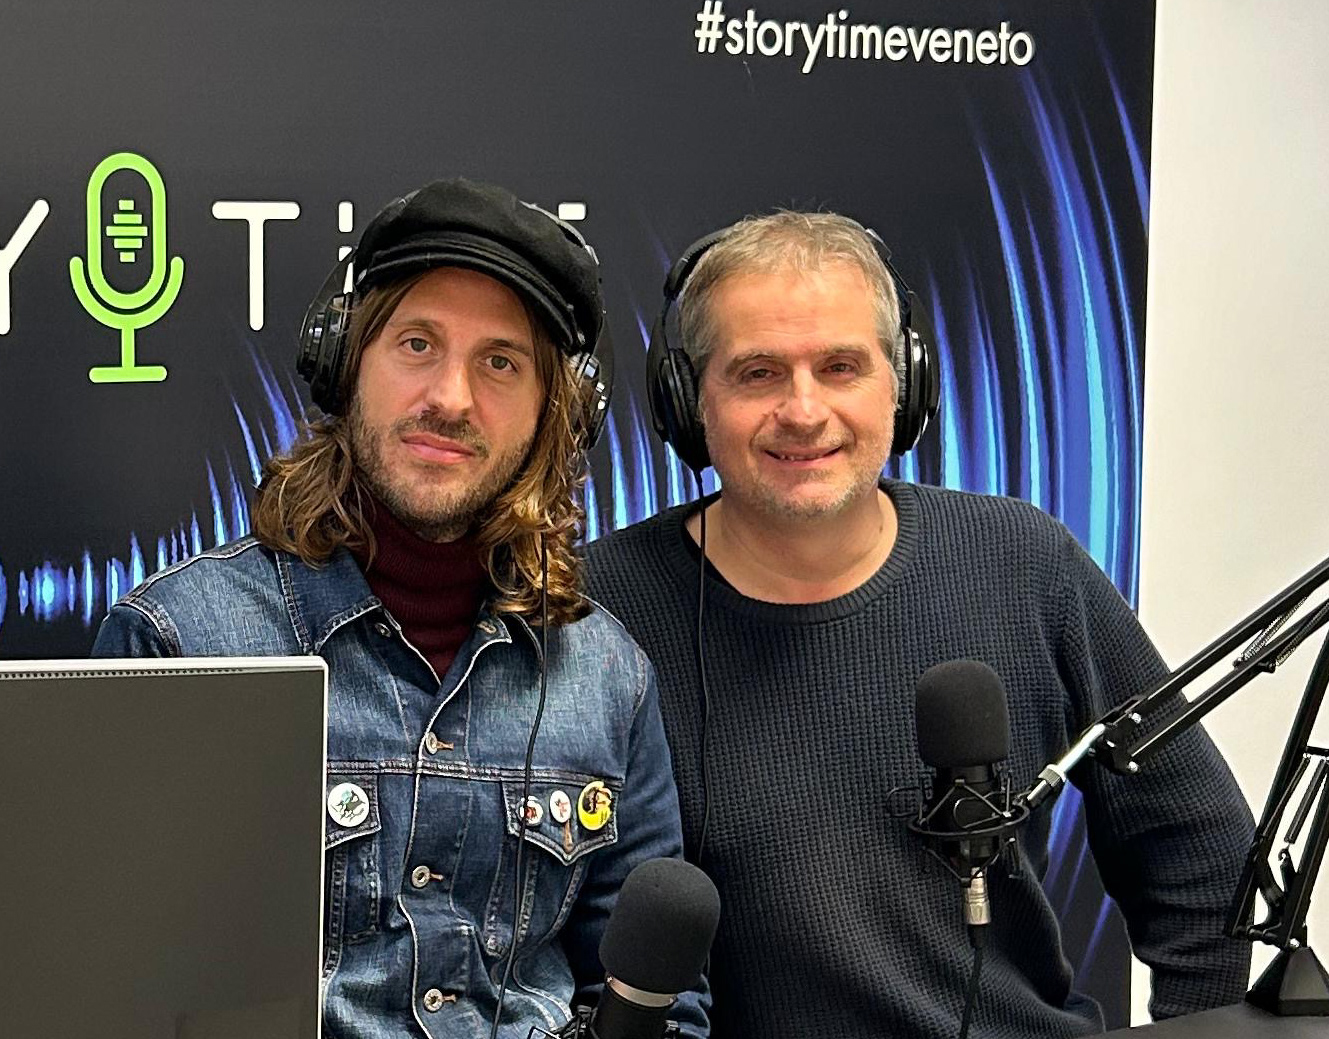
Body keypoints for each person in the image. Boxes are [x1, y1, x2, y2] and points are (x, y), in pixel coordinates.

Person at [584, 211, 1254, 1038]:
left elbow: (1199, 848)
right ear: (688, 402)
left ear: (902, 385)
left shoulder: (1021, 561)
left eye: (840, 367)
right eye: (758, 373)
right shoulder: (601, 608)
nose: (803, 410)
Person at [93, 178, 709, 1039]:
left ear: (553, 412)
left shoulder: (609, 677)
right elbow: (105, 988)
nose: (450, 398)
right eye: (417, 343)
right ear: (345, 363)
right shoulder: (182, 640)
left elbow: (658, 1004)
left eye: (500, 362)